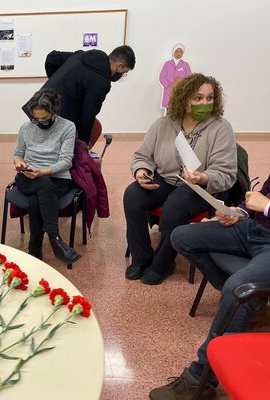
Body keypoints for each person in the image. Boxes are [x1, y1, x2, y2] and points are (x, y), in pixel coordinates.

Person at [149, 174, 270, 400]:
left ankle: (201, 378)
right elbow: (264, 194)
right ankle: (245, 301)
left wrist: (267, 207)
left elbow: (264, 203)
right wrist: (239, 212)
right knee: (181, 236)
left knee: (236, 287)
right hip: (255, 229)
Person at [124, 73, 237, 285]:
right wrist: (141, 171)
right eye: (198, 98)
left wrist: (202, 177)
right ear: (183, 100)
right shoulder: (163, 124)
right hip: (167, 179)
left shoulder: (221, 128)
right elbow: (142, 156)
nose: (205, 103)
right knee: (132, 195)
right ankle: (141, 258)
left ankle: (163, 264)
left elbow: (226, 173)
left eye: (210, 97)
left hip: (202, 187)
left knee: (175, 206)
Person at [14, 88, 80, 264]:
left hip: (57, 178)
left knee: (36, 200)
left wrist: (42, 172)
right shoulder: (26, 128)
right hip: (27, 176)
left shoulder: (68, 127)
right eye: (36, 118)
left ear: (54, 112)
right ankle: (55, 239)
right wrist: (19, 163)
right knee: (43, 185)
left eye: (44, 118)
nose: (40, 121)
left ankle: (34, 248)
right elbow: (18, 154)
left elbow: (66, 161)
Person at [22, 45, 136, 145]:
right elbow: (88, 115)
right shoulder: (101, 82)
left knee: (38, 146)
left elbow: (53, 57)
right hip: (58, 117)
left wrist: (56, 84)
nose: (122, 74)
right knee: (55, 153)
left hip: (38, 105)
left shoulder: (82, 55)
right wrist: (84, 142)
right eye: (124, 72)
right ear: (120, 66)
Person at [159, 43, 192, 111]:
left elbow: (189, 79)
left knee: (180, 109)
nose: (178, 53)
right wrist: (169, 85)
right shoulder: (167, 64)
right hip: (169, 91)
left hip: (181, 91)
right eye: (177, 51)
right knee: (169, 110)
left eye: (181, 51)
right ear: (173, 52)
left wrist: (181, 83)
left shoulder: (185, 65)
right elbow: (162, 77)